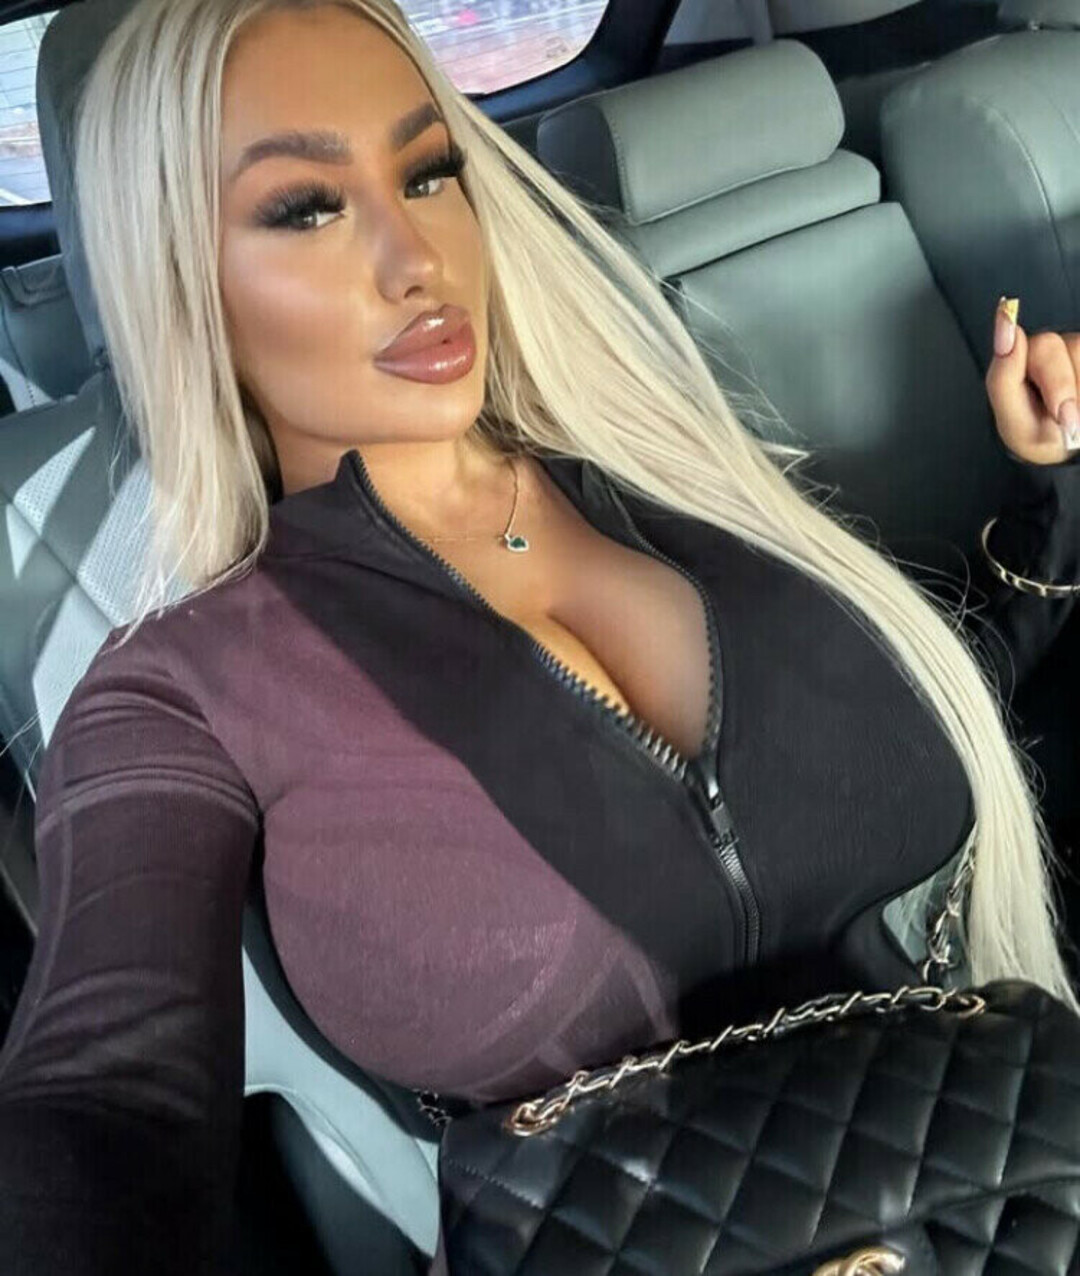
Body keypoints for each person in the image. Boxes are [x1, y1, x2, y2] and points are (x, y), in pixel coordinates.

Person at [1, 1, 1080, 1272]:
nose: (416, 257)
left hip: (1011, 1179)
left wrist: (1051, 499)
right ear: (183, 280)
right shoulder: (180, 690)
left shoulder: (678, 466)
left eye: (428, 171)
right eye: (305, 207)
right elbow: (107, 1099)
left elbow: (931, 699)